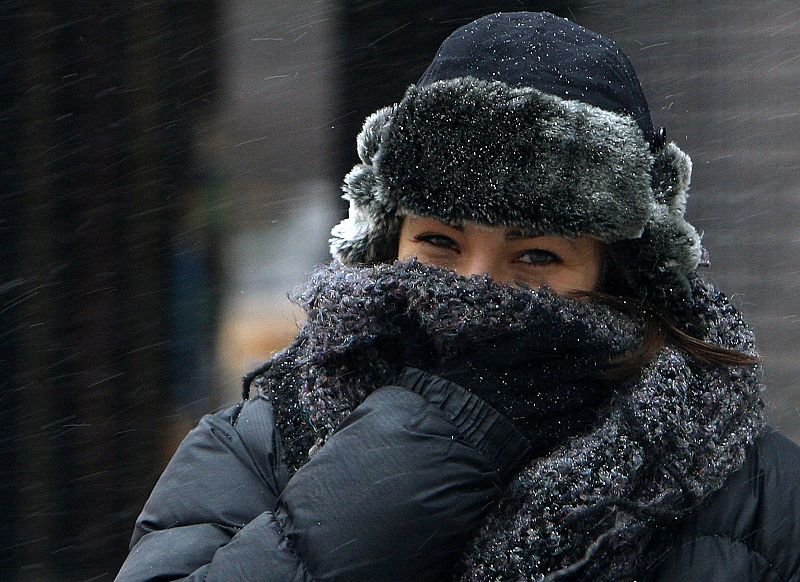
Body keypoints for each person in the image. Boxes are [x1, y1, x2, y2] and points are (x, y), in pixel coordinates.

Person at [116, 12, 800, 581]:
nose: (476, 286)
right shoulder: (262, 446)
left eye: (536, 254)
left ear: (614, 274)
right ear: (387, 244)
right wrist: (442, 431)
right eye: (440, 242)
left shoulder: (753, 493)